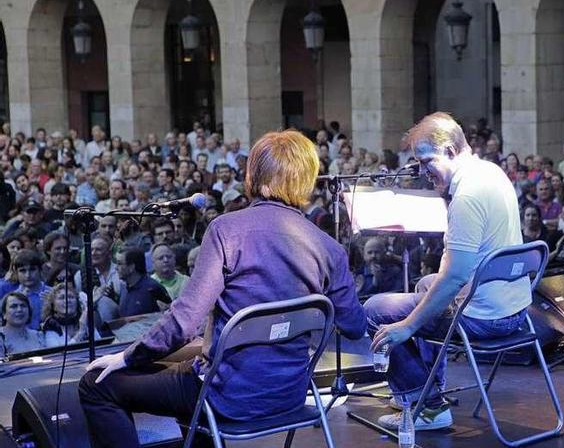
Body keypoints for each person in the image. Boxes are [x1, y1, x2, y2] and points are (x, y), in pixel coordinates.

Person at [78, 129, 366, 448]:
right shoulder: (329, 248)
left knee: (96, 385)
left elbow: (185, 320)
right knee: (186, 363)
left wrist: (128, 357)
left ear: (253, 175)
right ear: (308, 181)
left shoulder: (226, 230)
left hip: (227, 398)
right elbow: (354, 327)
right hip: (291, 396)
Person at [365, 112, 530, 431]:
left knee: (375, 311)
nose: (424, 172)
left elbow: (454, 279)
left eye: (427, 162)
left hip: (486, 318)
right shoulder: (491, 172)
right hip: (514, 307)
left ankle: (426, 407)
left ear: (451, 151)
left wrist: (406, 327)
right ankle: (427, 387)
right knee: (425, 284)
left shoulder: (466, 197)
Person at [114, 248, 171, 318]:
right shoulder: (125, 288)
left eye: (119, 264)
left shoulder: (153, 289)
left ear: (131, 267)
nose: (116, 268)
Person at [0, 292, 46, 358]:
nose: (19, 310)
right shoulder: (1, 338)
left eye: (23, 306)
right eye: (13, 306)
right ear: (4, 314)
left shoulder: (38, 336)